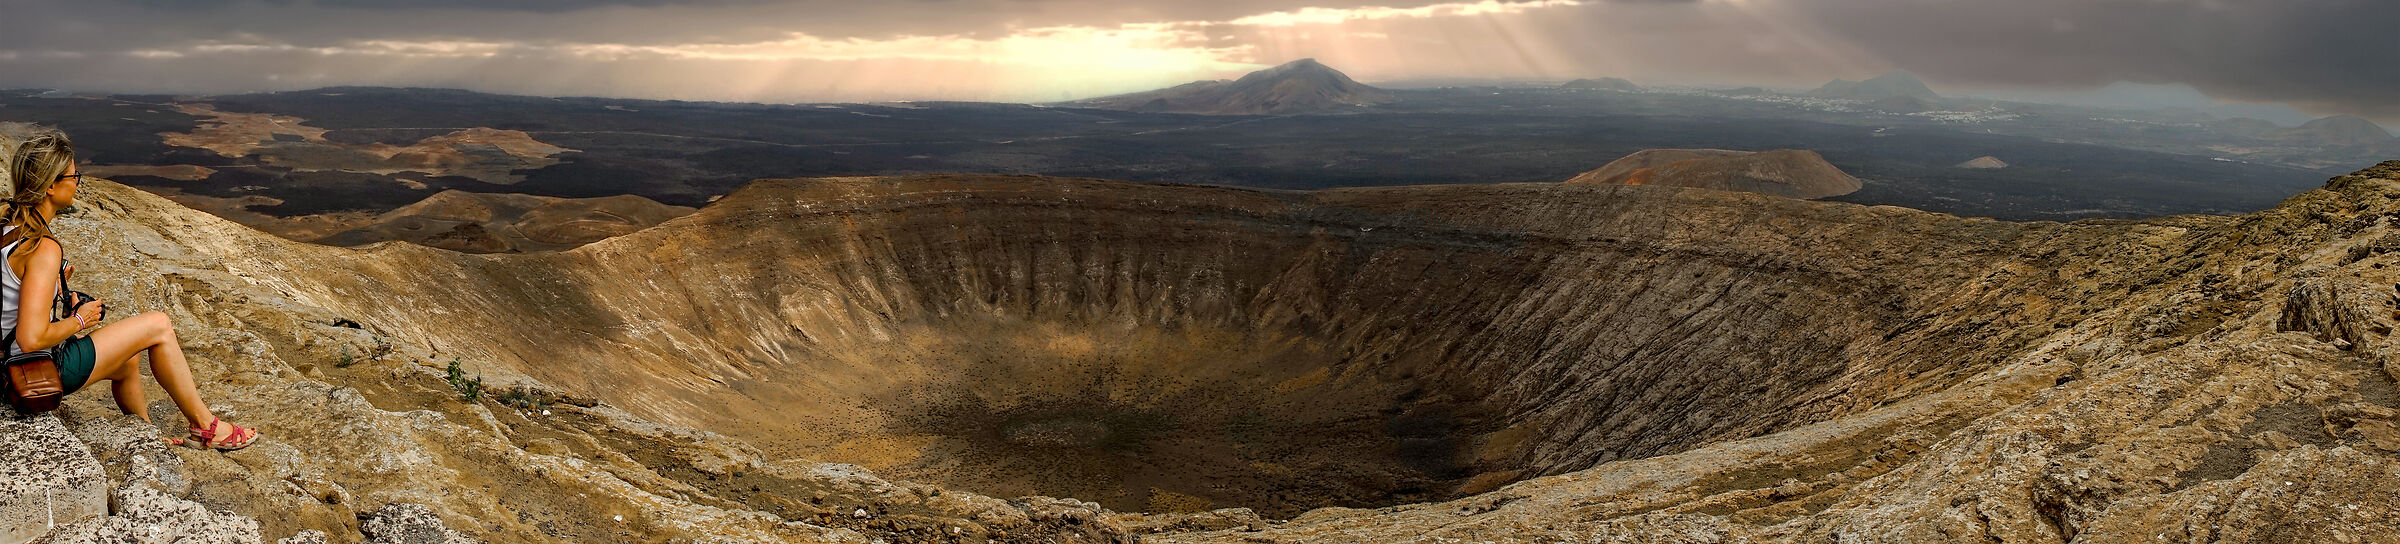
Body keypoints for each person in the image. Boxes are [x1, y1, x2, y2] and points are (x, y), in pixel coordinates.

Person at [3, 129, 257, 450]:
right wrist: (80, 320)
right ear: (51, 185)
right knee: (159, 325)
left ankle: (148, 438)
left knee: (126, 363)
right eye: (73, 174)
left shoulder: (10, 224)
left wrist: (53, 285)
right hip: (36, 369)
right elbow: (30, 337)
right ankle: (207, 427)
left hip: (7, 364)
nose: (78, 181)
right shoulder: (42, 247)